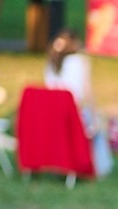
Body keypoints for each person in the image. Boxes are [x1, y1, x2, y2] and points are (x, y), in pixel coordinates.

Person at [43, 31, 112, 177]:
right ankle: (101, 168)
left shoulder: (51, 62)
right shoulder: (80, 61)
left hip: (51, 116)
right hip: (73, 116)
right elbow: (87, 92)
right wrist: (95, 115)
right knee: (96, 122)